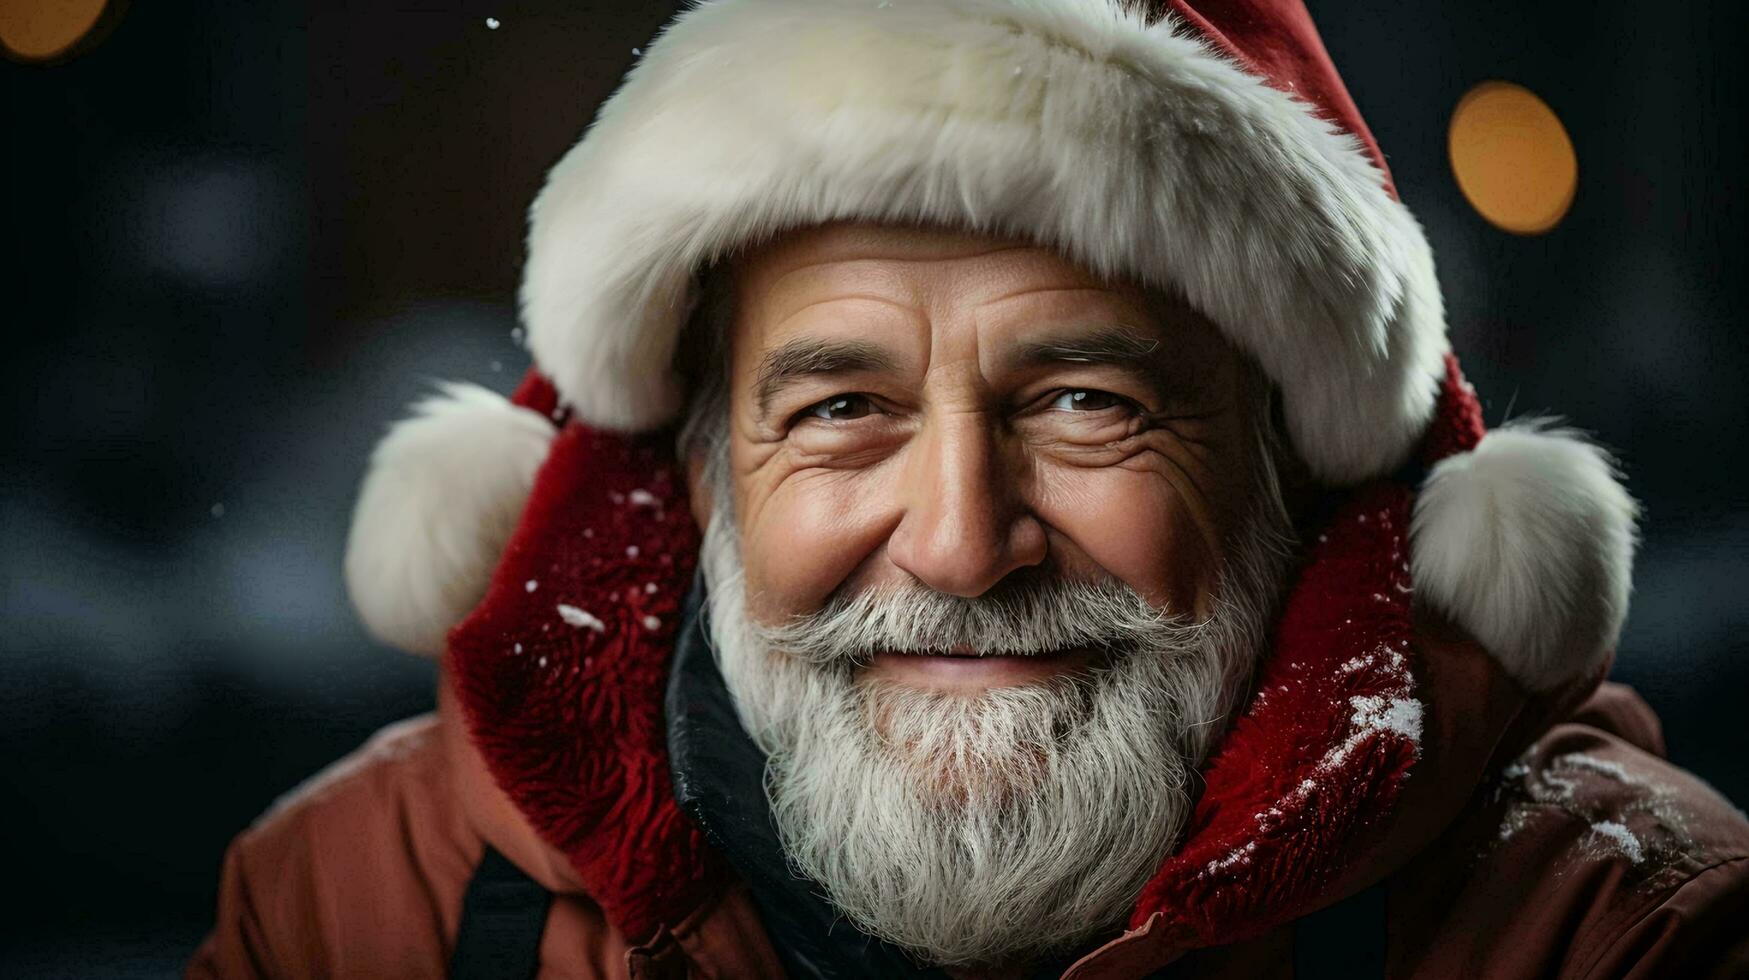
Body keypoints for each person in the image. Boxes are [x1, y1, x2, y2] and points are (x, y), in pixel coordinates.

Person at [190, 0, 1749, 977]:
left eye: (1087, 404)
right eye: (843, 408)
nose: (954, 544)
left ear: (1288, 462)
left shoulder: (1613, 933)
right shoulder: (361, 908)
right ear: (694, 470)